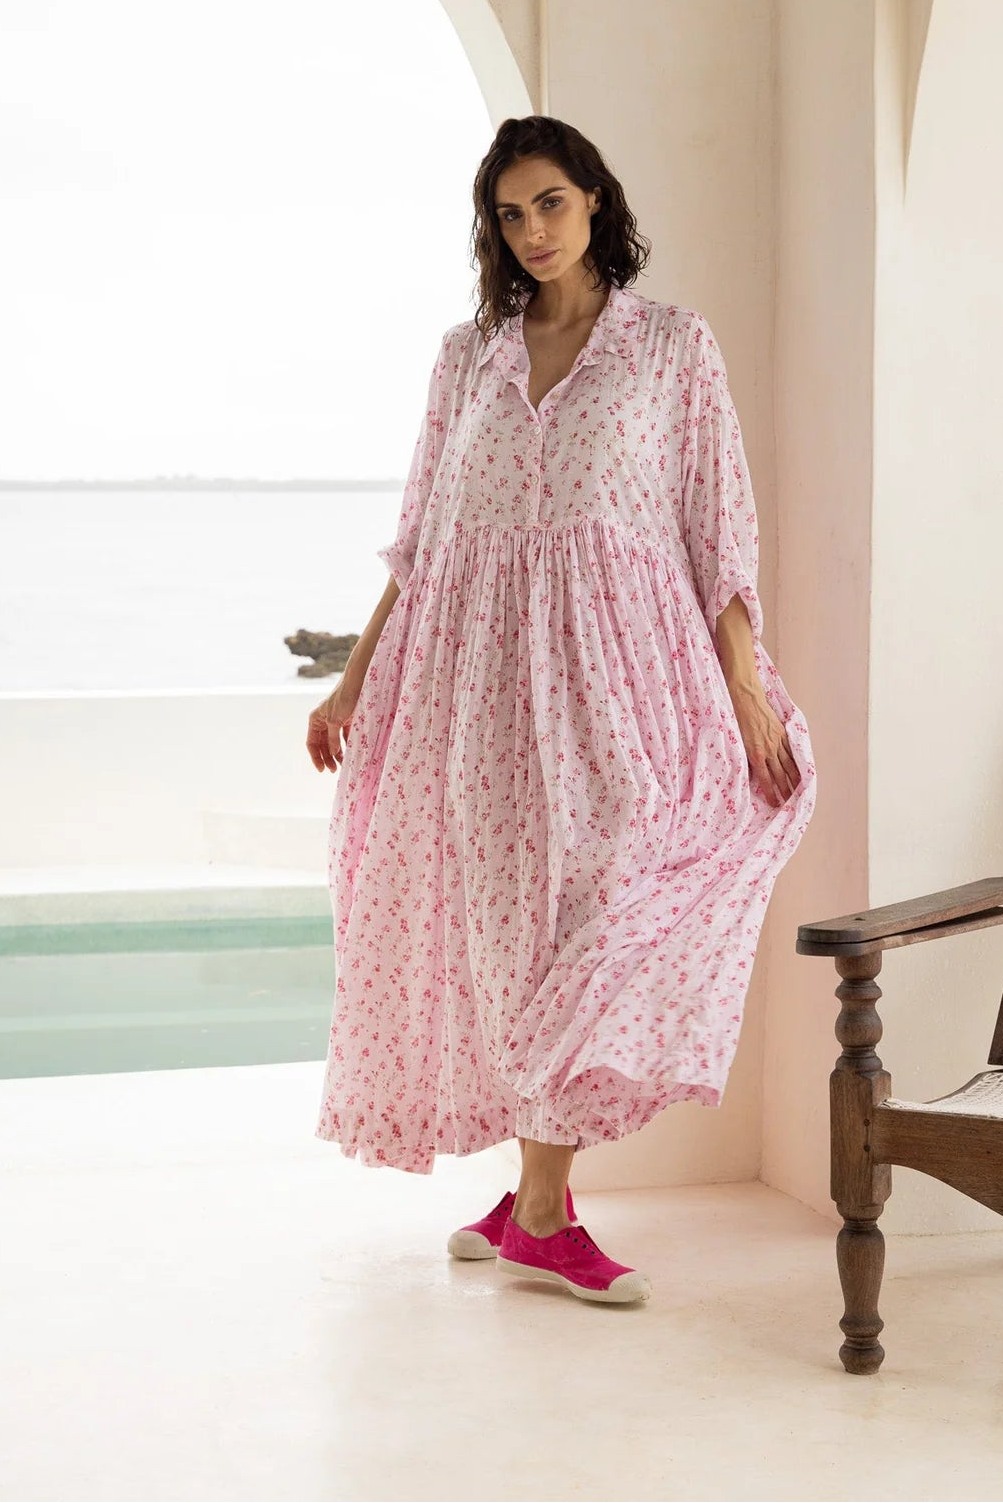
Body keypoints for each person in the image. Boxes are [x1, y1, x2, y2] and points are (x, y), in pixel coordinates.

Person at [305, 116, 815, 1305]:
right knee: (506, 937)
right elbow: (421, 538)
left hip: (621, 681)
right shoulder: (466, 358)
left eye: (549, 202)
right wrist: (352, 678)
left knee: (607, 907)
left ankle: (533, 1207)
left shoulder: (670, 348)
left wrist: (745, 693)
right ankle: (536, 1206)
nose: (531, 230)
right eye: (509, 213)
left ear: (593, 200)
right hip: (475, 688)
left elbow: (716, 531)